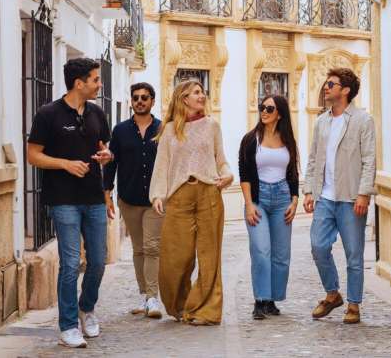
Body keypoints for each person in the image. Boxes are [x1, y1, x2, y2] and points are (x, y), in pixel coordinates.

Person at [27, 58, 113, 347]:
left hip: (93, 198)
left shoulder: (97, 114)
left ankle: (86, 308)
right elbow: (33, 155)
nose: (99, 85)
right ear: (79, 83)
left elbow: (105, 148)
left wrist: (106, 156)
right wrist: (65, 164)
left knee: (99, 261)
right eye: (95, 80)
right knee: (70, 264)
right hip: (63, 200)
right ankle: (67, 325)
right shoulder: (48, 114)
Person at [149, 80, 233, 325]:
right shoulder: (170, 130)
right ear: (183, 98)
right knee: (175, 258)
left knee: (210, 256)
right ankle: (180, 306)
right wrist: (157, 195)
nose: (202, 95)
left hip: (209, 193)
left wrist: (228, 175)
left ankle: (206, 311)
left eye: (202, 91)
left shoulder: (212, 126)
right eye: (196, 92)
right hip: (178, 198)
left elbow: (221, 160)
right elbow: (161, 166)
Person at [303, 67, 376, 324]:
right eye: (326, 83)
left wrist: (364, 194)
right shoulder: (321, 122)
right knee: (318, 246)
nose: (326, 87)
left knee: (353, 254)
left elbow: (369, 160)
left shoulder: (362, 120)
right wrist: (309, 190)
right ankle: (333, 294)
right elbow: (313, 158)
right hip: (325, 197)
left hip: (350, 198)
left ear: (345, 90)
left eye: (331, 84)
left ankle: (354, 304)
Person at [102, 82, 164, 319]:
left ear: (152, 101)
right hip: (128, 199)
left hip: (155, 200)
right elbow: (111, 162)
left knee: (152, 247)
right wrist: (107, 193)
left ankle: (152, 297)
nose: (140, 101)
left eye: (145, 97)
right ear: (131, 101)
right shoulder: (120, 131)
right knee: (139, 248)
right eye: (136, 97)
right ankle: (144, 294)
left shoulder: (163, 129)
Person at [238, 95, 299, 320]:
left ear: (279, 113)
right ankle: (260, 300)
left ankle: (272, 300)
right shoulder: (250, 139)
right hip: (258, 198)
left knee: (281, 255)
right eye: (262, 107)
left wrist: (294, 201)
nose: (264, 111)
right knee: (261, 250)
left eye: (269, 108)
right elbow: (244, 174)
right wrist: (248, 205)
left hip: (283, 197)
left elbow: (293, 173)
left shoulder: (288, 140)